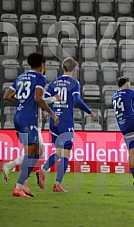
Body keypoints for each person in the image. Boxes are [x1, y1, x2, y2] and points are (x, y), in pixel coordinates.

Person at [36, 57, 98, 192]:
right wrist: (90, 112)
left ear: (63, 68)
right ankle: (57, 184)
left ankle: (43, 169)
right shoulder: (74, 83)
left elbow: (43, 99)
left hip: (54, 121)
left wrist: (43, 111)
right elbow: (77, 100)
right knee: (66, 154)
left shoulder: (54, 82)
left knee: (58, 152)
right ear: (74, 69)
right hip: (65, 121)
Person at [3, 52, 59, 197]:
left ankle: (22, 183)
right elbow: (38, 98)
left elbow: (7, 96)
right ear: (42, 65)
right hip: (29, 119)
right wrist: (53, 114)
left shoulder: (20, 77)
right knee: (31, 153)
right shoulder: (40, 77)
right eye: (45, 64)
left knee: (37, 152)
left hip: (18, 117)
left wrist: (23, 101)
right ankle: (18, 187)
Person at [2, 95, 61, 184]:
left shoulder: (26, 95)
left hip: (26, 125)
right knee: (34, 153)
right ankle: (13, 170)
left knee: (37, 153)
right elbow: (39, 100)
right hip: (32, 126)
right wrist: (54, 98)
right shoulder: (34, 91)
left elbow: (37, 102)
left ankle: (20, 175)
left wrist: (42, 110)